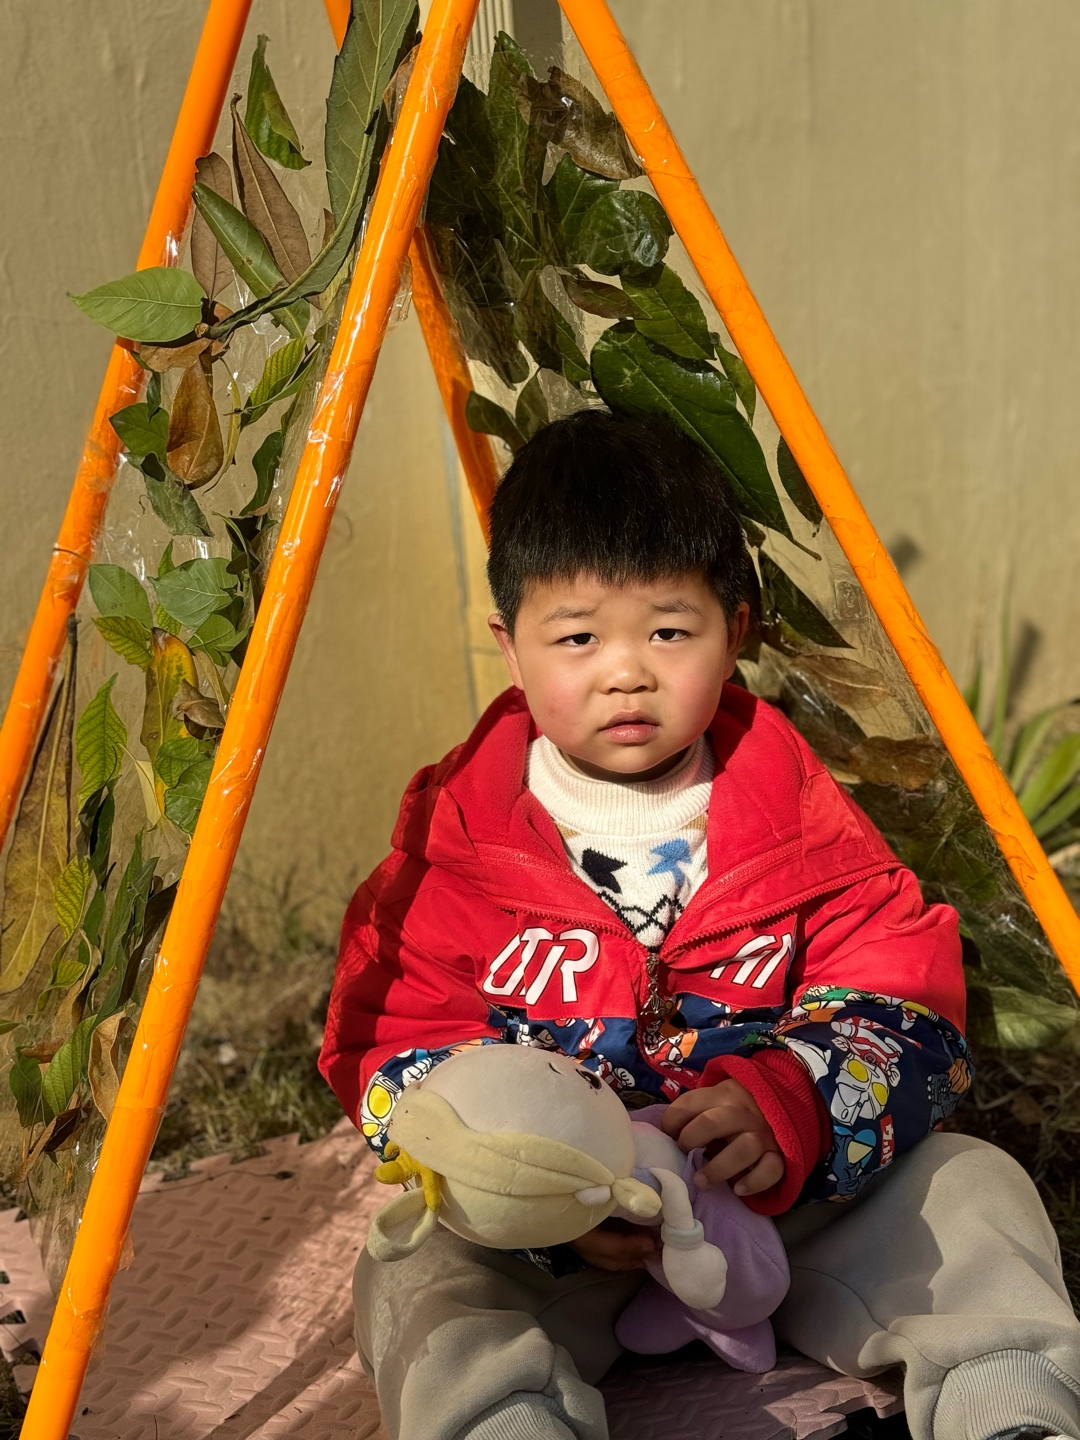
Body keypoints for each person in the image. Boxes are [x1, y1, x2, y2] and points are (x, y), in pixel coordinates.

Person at [319, 410, 1080, 1440]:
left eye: (669, 632)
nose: (625, 671)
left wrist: (795, 1103)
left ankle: (1010, 1405)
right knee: (417, 1274)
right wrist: (543, 1195)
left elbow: (902, 998)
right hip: (568, 1247)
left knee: (970, 1187)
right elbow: (394, 1051)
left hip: (789, 1210)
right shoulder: (458, 851)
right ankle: (504, 1423)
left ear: (736, 630)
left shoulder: (799, 821)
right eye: (578, 638)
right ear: (509, 645)